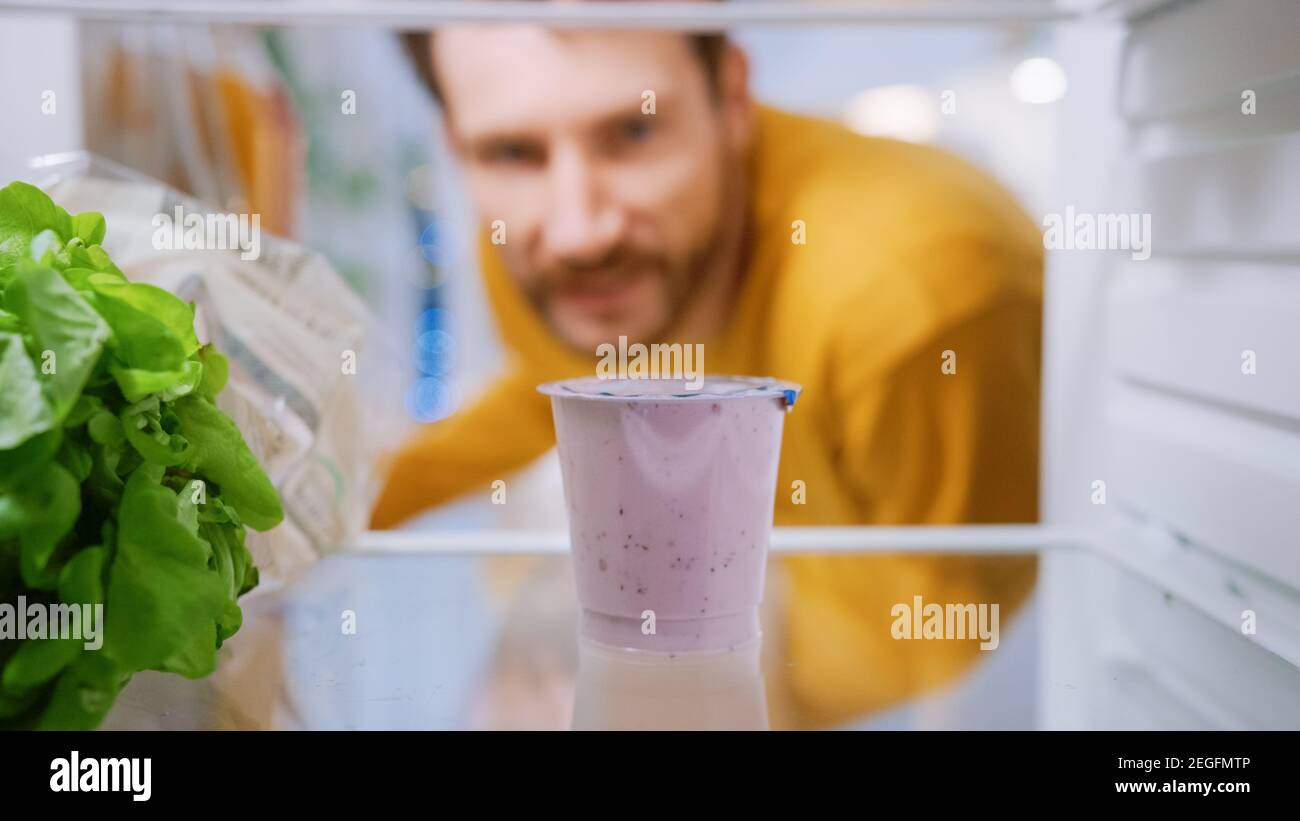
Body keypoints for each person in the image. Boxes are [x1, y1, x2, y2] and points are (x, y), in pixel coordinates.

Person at [373, 21, 1042, 728]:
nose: (578, 230)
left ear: (733, 99)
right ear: (454, 142)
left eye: (633, 131)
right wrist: (348, 499)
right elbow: (571, 382)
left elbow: (950, 621)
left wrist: (669, 687)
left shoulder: (914, 303)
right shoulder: (546, 251)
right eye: (511, 151)